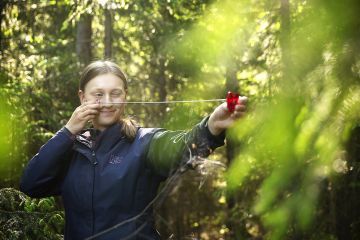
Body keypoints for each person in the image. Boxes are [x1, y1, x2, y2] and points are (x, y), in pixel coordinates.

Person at [19, 60, 247, 240]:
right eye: (98, 94)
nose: (107, 102)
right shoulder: (70, 149)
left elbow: (183, 147)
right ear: (82, 97)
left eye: (115, 93)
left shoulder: (145, 142)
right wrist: (68, 132)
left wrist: (212, 126)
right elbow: (31, 185)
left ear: (125, 96)